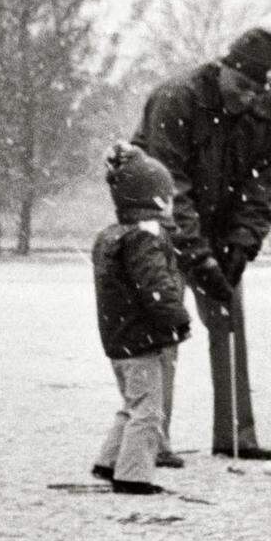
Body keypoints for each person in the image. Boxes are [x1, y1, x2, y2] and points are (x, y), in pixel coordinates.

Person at [133, 24, 271, 462]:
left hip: (219, 226)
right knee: (165, 326)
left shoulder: (264, 110)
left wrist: (242, 245)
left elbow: (262, 184)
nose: (247, 98)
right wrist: (198, 260)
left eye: (257, 91)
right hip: (156, 222)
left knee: (229, 324)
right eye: (240, 86)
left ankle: (237, 435)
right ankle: (153, 439)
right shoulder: (175, 99)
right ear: (223, 68)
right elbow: (169, 187)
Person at [90, 143, 191, 496]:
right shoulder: (145, 239)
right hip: (142, 340)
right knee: (149, 411)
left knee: (133, 404)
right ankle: (133, 476)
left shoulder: (111, 237)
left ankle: (109, 460)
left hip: (118, 340)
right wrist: (177, 320)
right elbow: (157, 287)